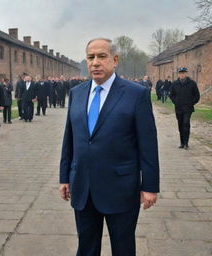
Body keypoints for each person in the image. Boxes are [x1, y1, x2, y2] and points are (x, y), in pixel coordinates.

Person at [59, 38, 160, 256]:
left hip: (120, 188)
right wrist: (65, 177)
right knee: (86, 247)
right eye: (90, 57)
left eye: (101, 56)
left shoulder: (135, 94)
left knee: (123, 248)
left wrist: (150, 185)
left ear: (115, 60)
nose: (95, 62)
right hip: (83, 188)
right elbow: (70, 139)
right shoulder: (77, 93)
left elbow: (148, 144)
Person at [170, 67, 200, 149]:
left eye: (183, 73)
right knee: (180, 125)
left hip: (188, 108)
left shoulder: (192, 83)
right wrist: (175, 101)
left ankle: (186, 143)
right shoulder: (174, 84)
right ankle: (182, 143)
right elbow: (171, 95)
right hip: (178, 108)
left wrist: (191, 103)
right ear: (178, 74)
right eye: (180, 73)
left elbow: (197, 96)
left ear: (186, 74)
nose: (182, 74)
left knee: (186, 123)